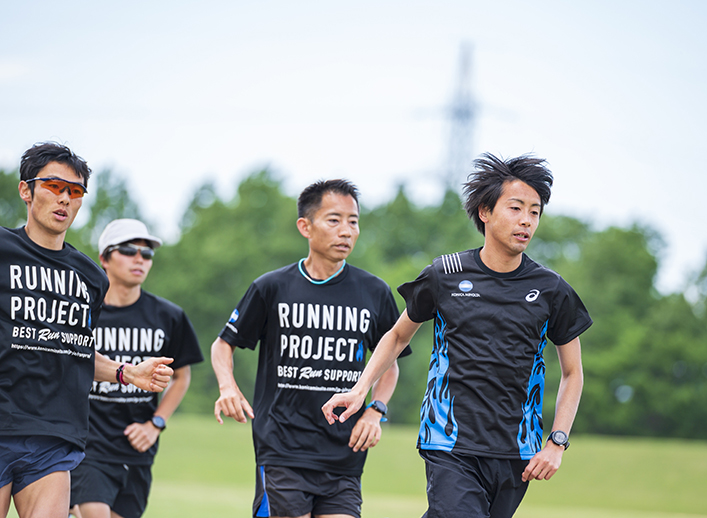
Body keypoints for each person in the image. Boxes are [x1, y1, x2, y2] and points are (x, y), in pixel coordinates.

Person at [322, 153, 593, 518]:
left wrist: (557, 442)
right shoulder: (445, 274)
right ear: (485, 211)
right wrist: (359, 389)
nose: (526, 221)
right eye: (516, 208)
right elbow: (398, 335)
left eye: (535, 211)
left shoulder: (551, 289)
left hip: (517, 453)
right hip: (448, 444)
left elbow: (573, 372)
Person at [211, 179, 411, 518]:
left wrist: (376, 410)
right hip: (282, 452)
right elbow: (223, 344)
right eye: (334, 220)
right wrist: (227, 385)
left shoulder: (374, 291)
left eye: (353, 221)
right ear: (306, 226)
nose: (346, 230)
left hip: (345, 457)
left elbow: (388, 364)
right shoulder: (271, 287)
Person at [0, 142, 174, 518]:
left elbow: (74, 349)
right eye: (53, 186)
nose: (64, 199)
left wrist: (128, 372)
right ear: (26, 191)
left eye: (74, 192)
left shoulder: (91, 276)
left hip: (55, 432)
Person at [69, 219, 204, 518]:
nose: (139, 259)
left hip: (136, 448)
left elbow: (181, 376)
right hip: (86, 442)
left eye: (147, 254)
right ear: (104, 258)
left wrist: (155, 424)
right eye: (129, 251)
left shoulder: (168, 315)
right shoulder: (81, 312)